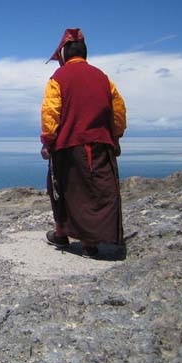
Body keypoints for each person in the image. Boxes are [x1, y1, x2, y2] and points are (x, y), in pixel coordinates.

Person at [40, 28, 127, 258]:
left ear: (65, 54)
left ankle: (62, 233)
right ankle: (90, 244)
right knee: (97, 191)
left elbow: (51, 112)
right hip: (101, 145)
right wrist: (115, 137)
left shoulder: (58, 79)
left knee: (63, 190)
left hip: (68, 146)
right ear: (85, 53)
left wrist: (48, 141)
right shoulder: (103, 78)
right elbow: (118, 111)